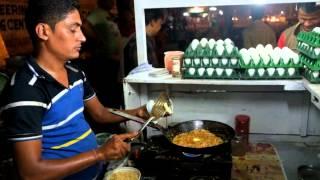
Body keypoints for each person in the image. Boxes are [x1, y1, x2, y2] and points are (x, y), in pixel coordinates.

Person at [0, 0, 151, 179]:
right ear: (43, 31)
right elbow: (30, 172)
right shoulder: (26, 91)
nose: (83, 37)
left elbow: (100, 113)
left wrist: (137, 112)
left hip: (98, 171)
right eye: (73, 29)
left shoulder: (74, 72)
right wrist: (100, 154)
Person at [86, 0, 123, 108]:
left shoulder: (106, 14)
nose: (113, 1)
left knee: (113, 90)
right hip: (105, 60)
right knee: (108, 92)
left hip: (114, 59)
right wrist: (97, 40)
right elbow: (86, 25)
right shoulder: (96, 14)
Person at [123, 9, 165, 76]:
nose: (160, 27)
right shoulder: (139, 41)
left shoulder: (146, 39)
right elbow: (139, 70)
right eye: (160, 24)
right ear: (152, 22)